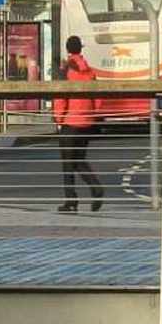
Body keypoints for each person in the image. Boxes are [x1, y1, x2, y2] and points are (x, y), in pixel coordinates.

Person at [55, 34, 105, 213]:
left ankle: (71, 200)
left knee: (68, 163)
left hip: (70, 122)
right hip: (87, 122)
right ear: (80, 49)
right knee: (79, 160)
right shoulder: (90, 71)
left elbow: (61, 97)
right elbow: (98, 98)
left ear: (68, 49)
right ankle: (95, 188)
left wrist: (59, 118)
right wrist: (93, 114)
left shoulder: (66, 70)